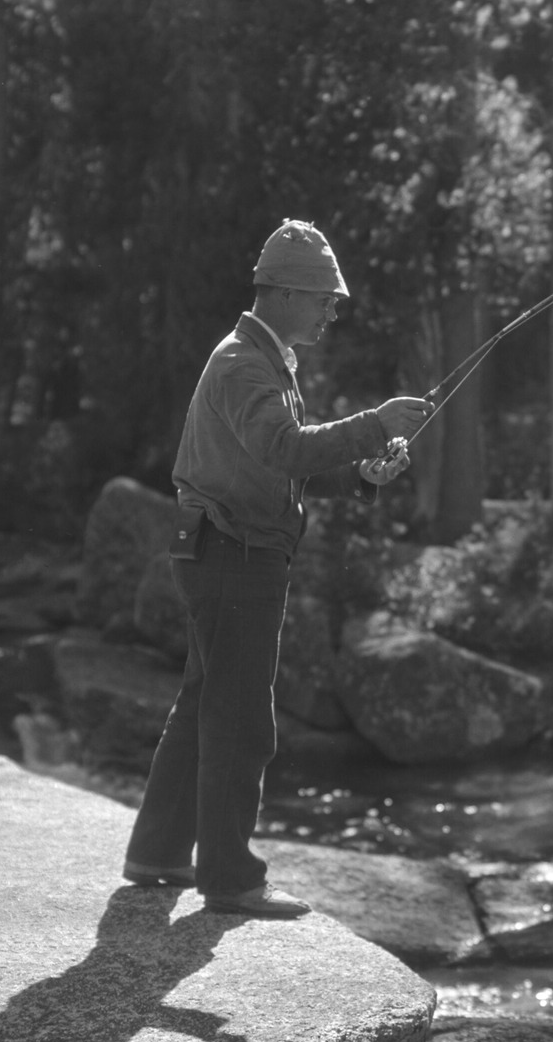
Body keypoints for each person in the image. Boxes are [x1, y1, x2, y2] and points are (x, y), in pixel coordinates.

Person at [122, 219, 432, 918]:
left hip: (228, 551)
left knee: (205, 701)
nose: (332, 310)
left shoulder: (265, 361)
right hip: (231, 556)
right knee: (239, 718)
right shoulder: (241, 364)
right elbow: (287, 448)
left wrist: (363, 471)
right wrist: (375, 421)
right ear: (287, 292)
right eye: (325, 298)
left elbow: (275, 465)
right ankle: (230, 879)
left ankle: (157, 853)